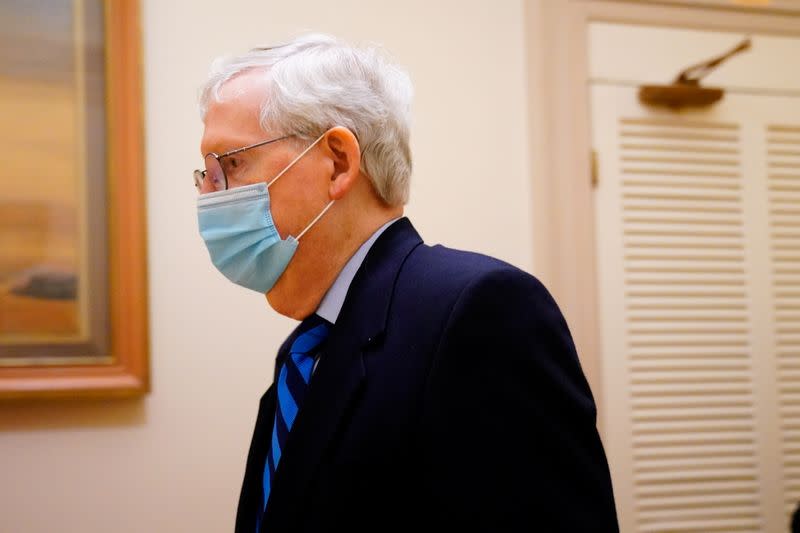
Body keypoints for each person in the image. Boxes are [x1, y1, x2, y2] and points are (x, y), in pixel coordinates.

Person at [195, 33, 619, 533]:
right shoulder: (305, 349)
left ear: (338, 162)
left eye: (231, 164)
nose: (209, 194)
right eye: (206, 174)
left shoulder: (481, 311)